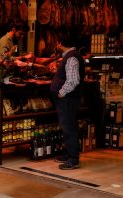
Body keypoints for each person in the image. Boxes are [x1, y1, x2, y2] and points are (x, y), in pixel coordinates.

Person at [50, 34, 85, 170]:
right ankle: (69, 153)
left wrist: (62, 92)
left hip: (68, 98)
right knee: (67, 125)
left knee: (69, 126)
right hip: (67, 98)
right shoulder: (70, 56)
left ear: (59, 43)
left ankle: (73, 159)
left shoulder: (71, 58)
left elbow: (73, 80)